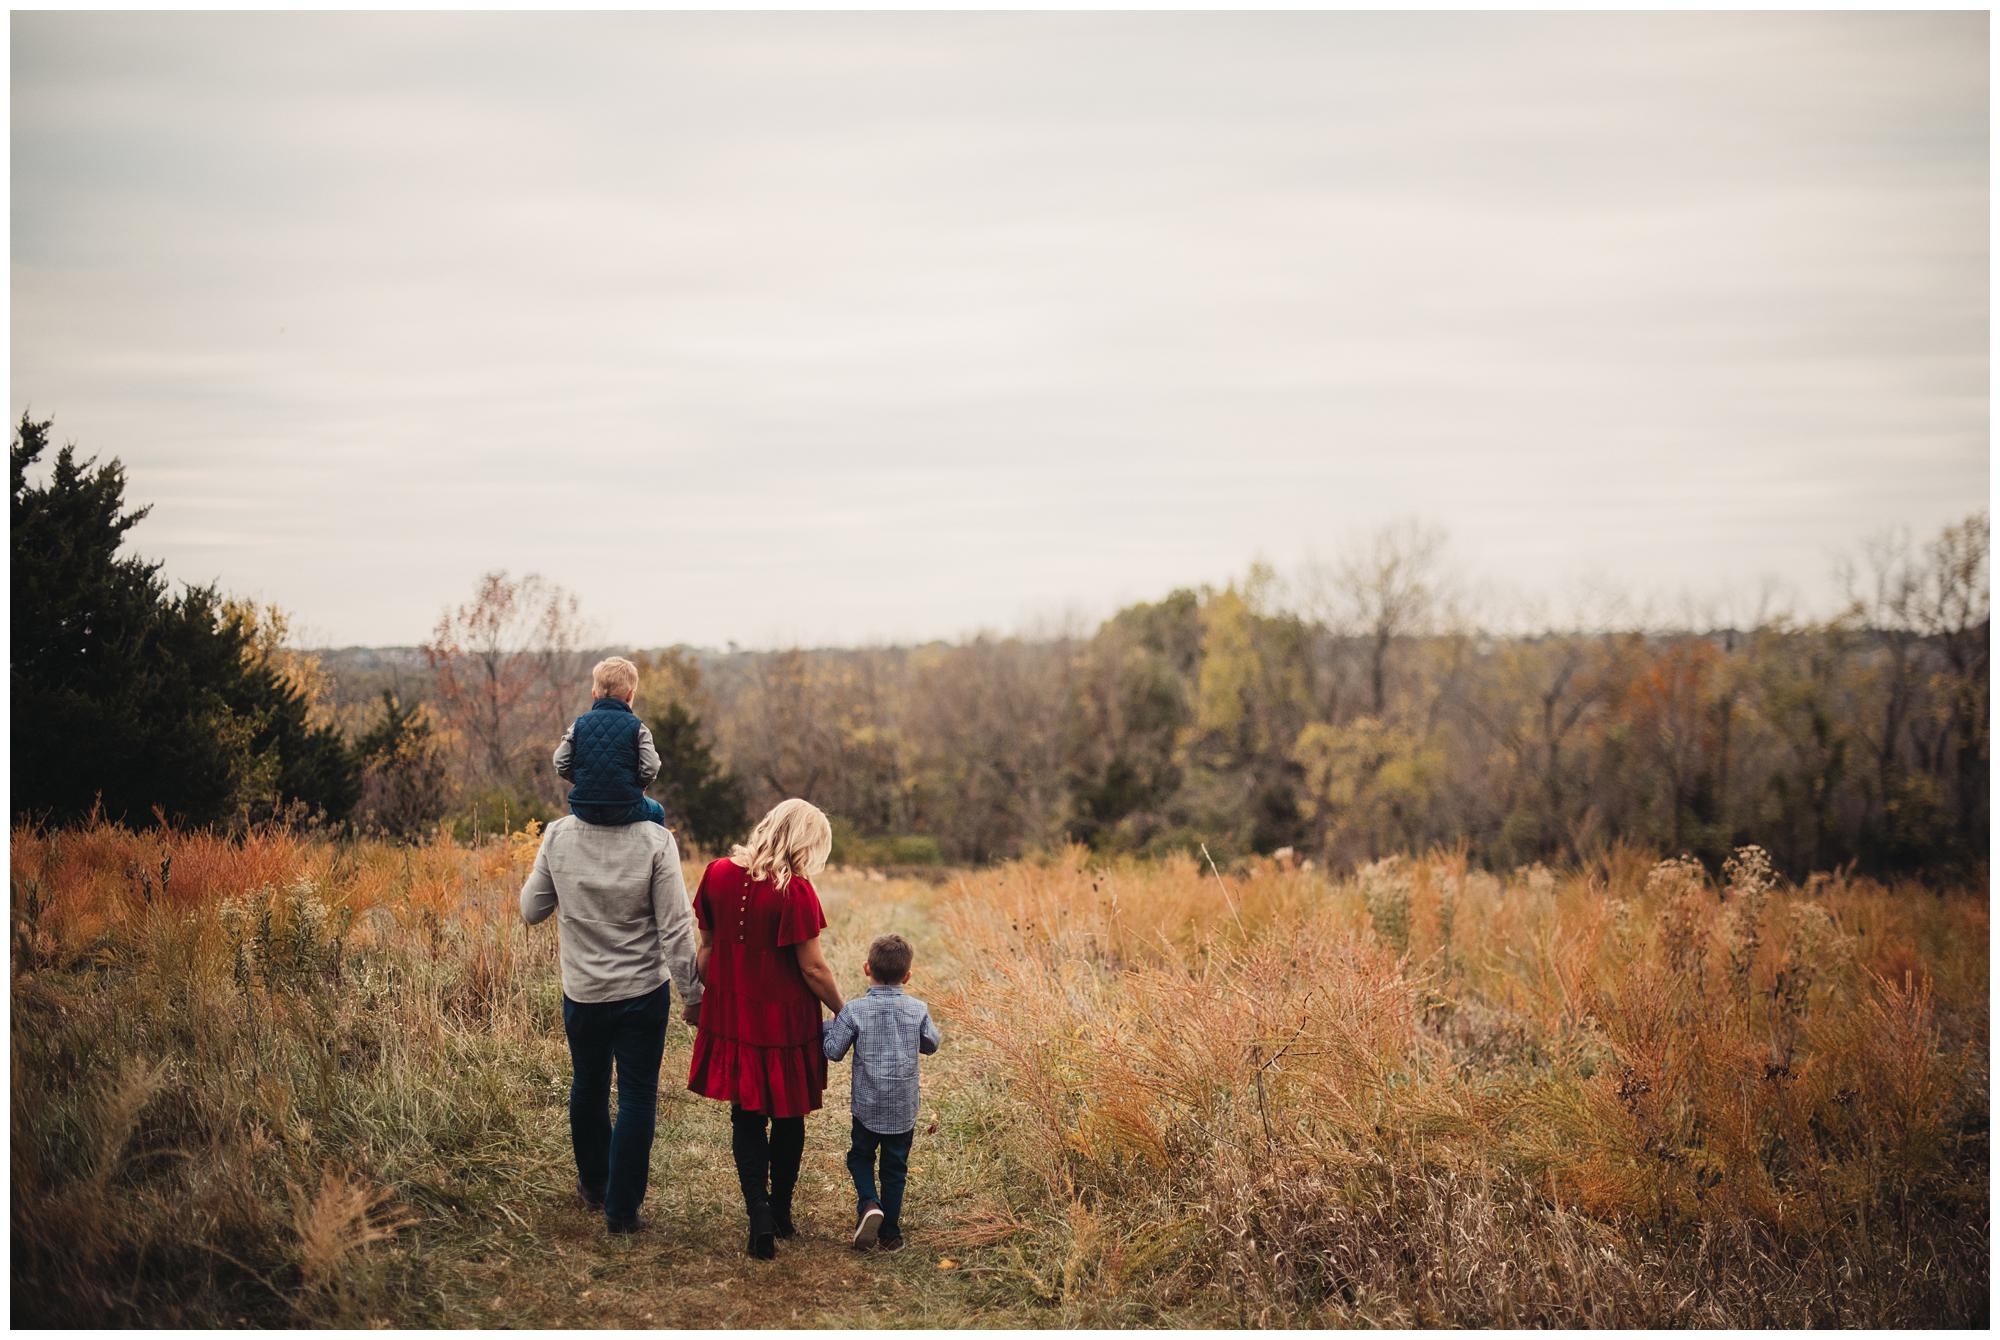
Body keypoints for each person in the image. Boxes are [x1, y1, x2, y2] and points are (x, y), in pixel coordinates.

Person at [519, 799, 702, 1234]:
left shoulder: (558, 835)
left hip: (583, 992)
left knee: (588, 1084)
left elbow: (531, 909)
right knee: (637, 1095)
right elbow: (675, 927)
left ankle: (594, 1187)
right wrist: (692, 994)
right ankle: (621, 1212)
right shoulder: (656, 840)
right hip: (641, 992)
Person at [686, 798, 844, 1259]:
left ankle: (758, 1212)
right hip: (786, 1019)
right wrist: (844, 1010)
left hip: (735, 1015)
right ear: (804, 841)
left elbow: (705, 952)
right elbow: (813, 968)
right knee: (789, 1116)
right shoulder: (795, 890)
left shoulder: (716, 873)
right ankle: (780, 1212)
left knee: (747, 1114)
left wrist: (716, 995)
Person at [823, 933, 941, 1253]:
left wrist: (830, 1025)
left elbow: (833, 1051)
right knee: (894, 1168)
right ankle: (890, 1234)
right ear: (907, 976)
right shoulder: (917, 1010)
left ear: (867, 968)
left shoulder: (854, 1011)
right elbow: (931, 1044)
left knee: (860, 1157)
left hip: (868, 1106)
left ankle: (869, 1203)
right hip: (902, 1109)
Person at [554, 655, 666, 827]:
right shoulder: (638, 728)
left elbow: (560, 762)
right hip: (625, 807)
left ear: (594, 694)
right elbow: (651, 767)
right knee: (657, 811)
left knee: (575, 816)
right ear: (630, 695)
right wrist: (637, 784)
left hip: (584, 808)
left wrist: (583, 778)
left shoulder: (578, 725)